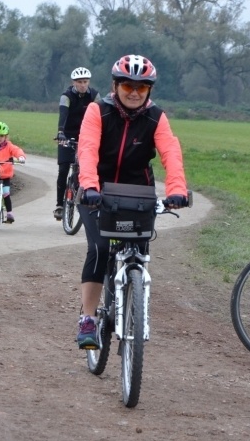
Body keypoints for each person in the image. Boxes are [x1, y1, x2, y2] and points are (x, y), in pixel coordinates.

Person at [74, 54, 188, 348]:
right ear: (115, 86)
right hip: (96, 190)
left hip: (137, 192)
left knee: (139, 250)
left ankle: (132, 300)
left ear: (149, 89)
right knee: (99, 248)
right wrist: (89, 186)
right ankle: (88, 318)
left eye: (142, 87)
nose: (134, 93)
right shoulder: (98, 111)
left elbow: (171, 153)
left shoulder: (156, 117)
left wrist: (177, 189)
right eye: (128, 86)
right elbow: (87, 150)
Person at [55, 67, 100, 220]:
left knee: (91, 167)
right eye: (79, 82)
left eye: (85, 82)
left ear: (89, 82)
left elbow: (101, 115)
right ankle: (59, 205)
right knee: (63, 169)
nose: (82, 85)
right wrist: (60, 132)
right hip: (67, 135)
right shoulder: (66, 96)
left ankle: (91, 200)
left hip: (87, 135)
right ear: (73, 82)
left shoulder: (94, 95)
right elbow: (63, 114)